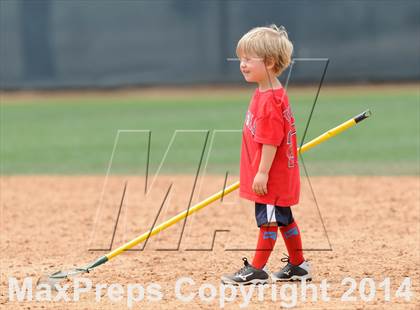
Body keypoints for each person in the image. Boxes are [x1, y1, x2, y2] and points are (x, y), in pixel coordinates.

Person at [221, 25, 311, 285]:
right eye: (241, 59)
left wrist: (261, 172)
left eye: (248, 59)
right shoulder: (268, 92)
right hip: (279, 175)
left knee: (269, 222)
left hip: (272, 177)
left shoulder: (270, 100)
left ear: (269, 62)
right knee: (284, 219)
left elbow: (270, 141)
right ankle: (298, 265)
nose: (242, 64)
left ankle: (257, 270)